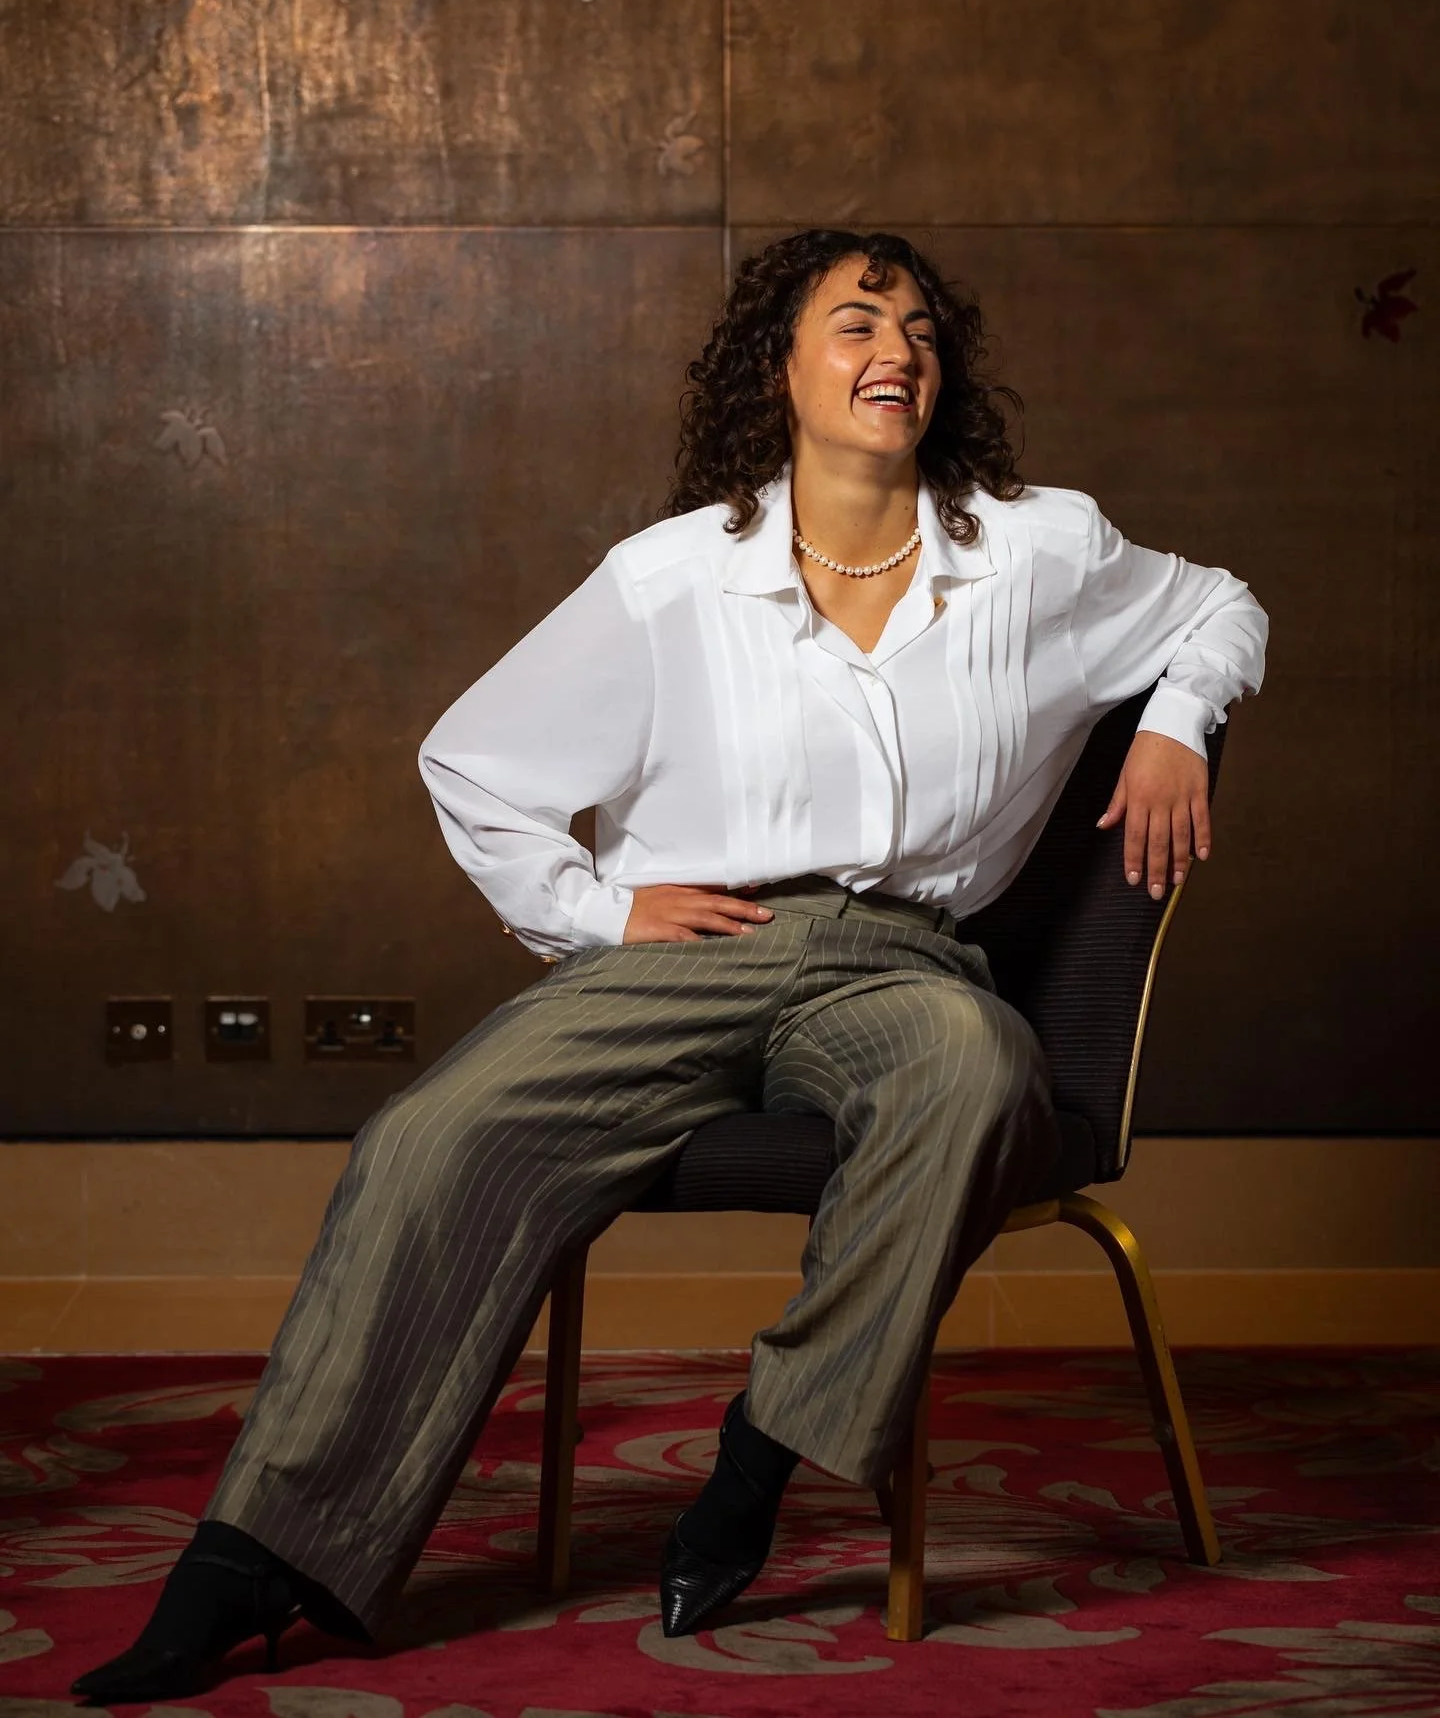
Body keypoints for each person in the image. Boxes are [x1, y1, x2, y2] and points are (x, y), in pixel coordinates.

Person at [72, 228, 1267, 1702]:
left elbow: (1220, 601)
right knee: (435, 1133)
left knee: (973, 1071)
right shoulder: (670, 576)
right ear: (781, 371)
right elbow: (475, 762)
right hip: (692, 952)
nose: (893, 351)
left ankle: (762, 1452)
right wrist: (597, 911)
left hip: (901, 963)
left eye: (917, 331)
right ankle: (258, 1557)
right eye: (852, 324)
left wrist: (1175, 718)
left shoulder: (1036, 550)